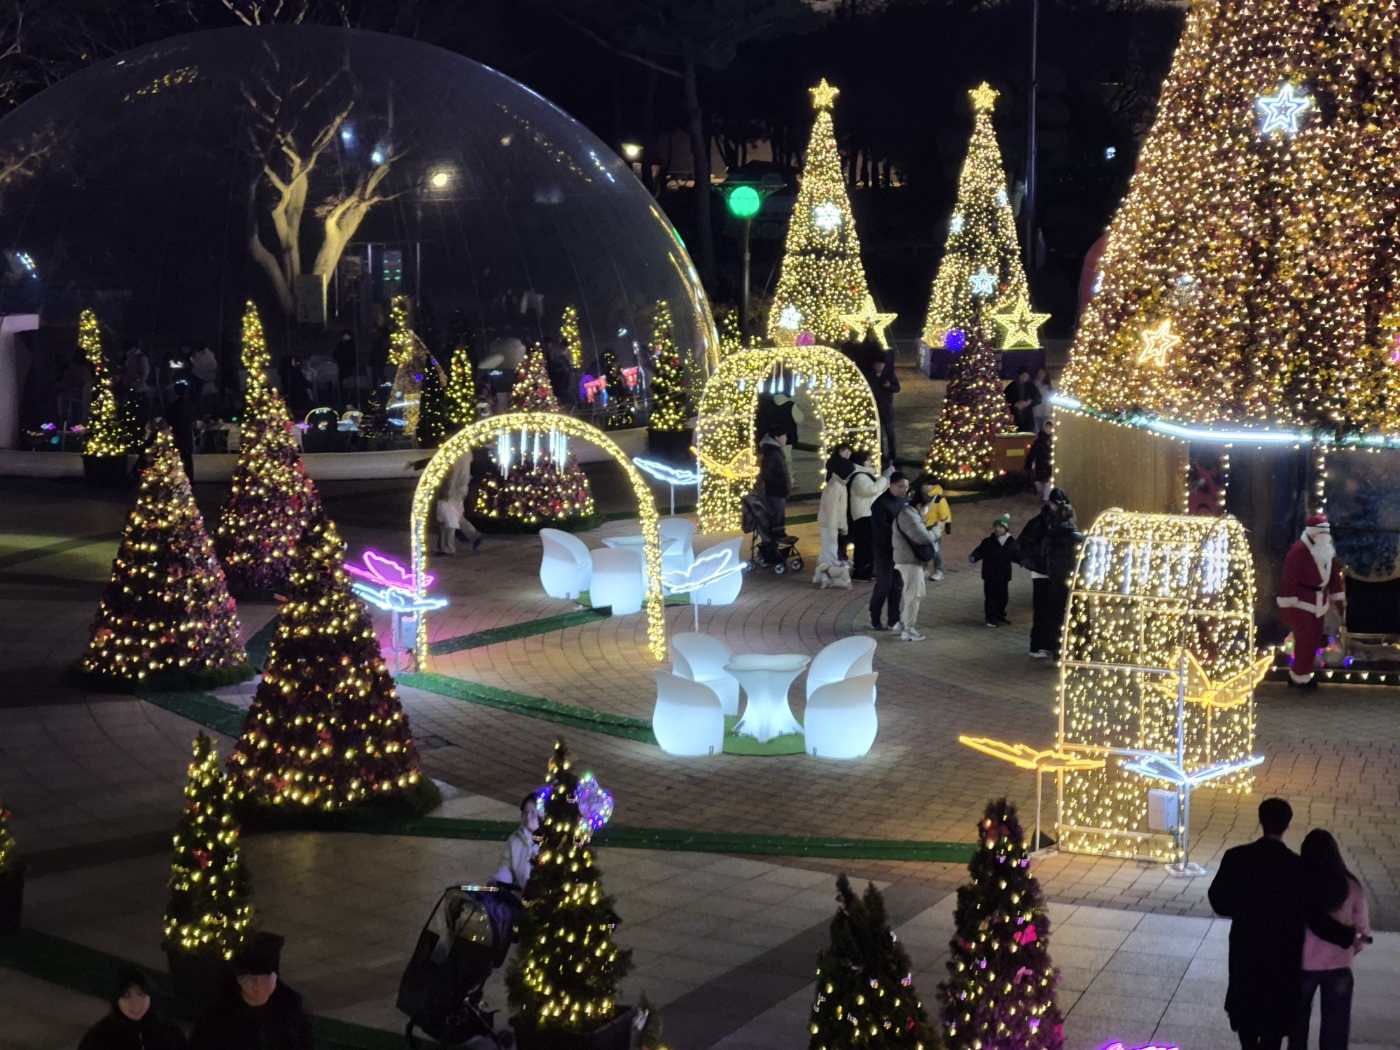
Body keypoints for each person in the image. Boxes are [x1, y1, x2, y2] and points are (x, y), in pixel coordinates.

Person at [1208, 799, 1357, 1050]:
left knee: (1246, 1008)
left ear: (1260, 820)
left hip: (1247, 948)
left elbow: (1218, 900)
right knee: (1273, 1021)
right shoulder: (1297, 867)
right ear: (1287, 825)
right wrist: (1346, 935)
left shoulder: (1236, 857)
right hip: (1282, 954)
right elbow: (1315, 917)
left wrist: (1244, 911)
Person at [1295, 829, 1369, 1050]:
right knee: (1336, 1030)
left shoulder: (1300, 884)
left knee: (1297, 1026)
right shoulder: (1351, 886)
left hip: (1303, 964)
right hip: (1339, 965)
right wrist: (1351, 949)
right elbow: (1363, 931)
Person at [190, 933, 312, 1050]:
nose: (259, 985)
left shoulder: (290, 1009)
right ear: (239, 980)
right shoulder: (218, 1016)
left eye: (266, 978)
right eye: (252, 979)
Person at [1277, 514, 1345, 689]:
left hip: (1319, 602)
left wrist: (1338, 599)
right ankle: (1299, 677)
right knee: (1304, 641)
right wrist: (1287, 604)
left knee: (1313, 640)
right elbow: (1289, 579)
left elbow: (1333, 578)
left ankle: (1303, 674)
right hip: (1302, 602)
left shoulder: (1327, 551)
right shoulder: (1299, 551)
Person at [78, 968, 187, 1050]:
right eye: (126, 996)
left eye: (141, 995)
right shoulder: (99, 1037)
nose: (135, 1004)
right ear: (116, 1000)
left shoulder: (167, 1030)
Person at [1019, 488, 1069, 658]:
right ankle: (1038, 645)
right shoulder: (1039, 523)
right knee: (1041, 608)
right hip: (1042, 573)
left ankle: (1047, 643)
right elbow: (1024, 547)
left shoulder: (1056, 523)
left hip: (1054, 573)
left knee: (1051, 609)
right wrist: (1035, 564)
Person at [892, 485, 936, 641]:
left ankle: (903, 623)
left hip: (909, 560)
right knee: (914, 594)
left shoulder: (910, 514)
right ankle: (908, 629)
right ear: (919, 505)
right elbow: (922, 537)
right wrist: (937, 530)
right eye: (926, 507)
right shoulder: (908, 515)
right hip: (908, 561)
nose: (927, 510)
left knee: (916, 593)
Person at [868, 471, 910, 632]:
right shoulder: (880, 504)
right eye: (900, 487)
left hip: (900, 550)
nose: (904, 490)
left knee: (897, 585)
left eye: (906, 487)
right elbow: (882, 530)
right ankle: (875, 617)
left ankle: (894, 619)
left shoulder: (905, 501)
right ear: (891, 485)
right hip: (884, 550)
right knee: (884, 584)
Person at [1041, 502, 1083, 658]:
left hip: (1055, 580)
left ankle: (1058, 652)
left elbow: (1044, 555)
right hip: (1074, 581)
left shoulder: (1050, 535)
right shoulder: (1078, 537)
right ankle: (1079, 652)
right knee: (1077, 617)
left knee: (1057, 617)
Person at [969, 513, 1020, 626]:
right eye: (996, 526)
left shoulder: (1011, 542)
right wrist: (974, 557)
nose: (997, 529)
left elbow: (1016, 555)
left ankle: (1000, 615)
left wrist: (1024, 561)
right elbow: (980, 551)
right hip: (990, 575)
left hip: (1003, 575)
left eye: (1000, 527)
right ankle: (991, 618)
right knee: (991, 597)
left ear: (1006, 529)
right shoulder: (988, 542)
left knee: (1003, 597)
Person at [847, 450, 890, 583]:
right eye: (867, 460)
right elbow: (872, 489)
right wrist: (884, 477)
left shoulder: (864, 475)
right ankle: (861, 573)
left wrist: (886, 479)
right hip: (863, 516)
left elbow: (879, 489)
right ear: (861, 461)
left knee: (867, 545)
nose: (870, 462)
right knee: (863, 545)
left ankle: (867, 571)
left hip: (867, 514)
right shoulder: (859, 477)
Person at [815, 445, 854, 587]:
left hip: (831, 524)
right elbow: (832, 511)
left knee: (826, 553)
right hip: (829, 524)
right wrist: (834, 530)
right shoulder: (835, 487)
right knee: (831, 554)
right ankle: (837, 579)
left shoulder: (839, 485)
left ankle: (820, 577)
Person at [494, 792, 541, 890]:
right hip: (521, 894)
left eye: (533, 813)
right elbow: (506, 865)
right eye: (525, 813)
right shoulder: (515, 839)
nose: (528, 817)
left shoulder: (552, 840)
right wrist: (500, 880)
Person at [758, 423, 791, 534]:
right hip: (776, 491)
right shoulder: (772, 452)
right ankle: (774, 545)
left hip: (777, 491)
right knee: (777, 520)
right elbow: (770, 473)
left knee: (777, 519)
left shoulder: (773, 450)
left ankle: (776, 543)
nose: (786, 438)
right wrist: (782, 487)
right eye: (784, 435)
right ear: (777, 437)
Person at [867, 354, 901, 464]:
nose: (879, 367)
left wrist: (889, 386)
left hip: (887, 409)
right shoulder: (870, 376)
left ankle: (892, 454)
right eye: (877, 365)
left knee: (890, 432)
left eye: (881, 365)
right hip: (875, 409)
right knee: (878, 434)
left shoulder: (889, 374)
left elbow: (897, 388)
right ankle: (880, 454)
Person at [919, 480, 953, 581]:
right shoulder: (923, 497)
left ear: (934, 485)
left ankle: (939, 570)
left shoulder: (939, 499)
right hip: (923, 528)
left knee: (935, 551)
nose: (925, 486)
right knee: (922, 550)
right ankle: (925, 569)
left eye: (927, 484)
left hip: (935, 529)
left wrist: (946, 528)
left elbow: (946, 516)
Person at [164, 383, 197, 480]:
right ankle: (189, 479)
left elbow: (167, 420)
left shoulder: (171, 406)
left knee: (175, 457)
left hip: (175, 434)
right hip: (187, 434)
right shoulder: (190, 406)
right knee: (187, 458)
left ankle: (175, 478)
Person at [1025, 419, 1054, 502]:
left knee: (1048, 484)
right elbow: (1032, 453)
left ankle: (1046, 499)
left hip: (1049, 467)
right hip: (1040, 466)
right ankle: (1043, 496)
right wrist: (1028, 464)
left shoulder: (1053, 441)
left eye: (1050, 427)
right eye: (1047, 427)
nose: (1048, 429)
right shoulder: (1039, 441)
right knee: (1039, 484)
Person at [57, 354, 91, 426]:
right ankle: (64, 418)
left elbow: (87, 382)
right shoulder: (70, 369)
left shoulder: (84, 370)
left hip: (81, 393)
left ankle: (74, 421)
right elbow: (66, 382)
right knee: (61, 398)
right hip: (70, 392)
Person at [1004, 366, 1040, 433]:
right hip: (1015, 418)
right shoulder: (1011, 386)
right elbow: (1006, 399)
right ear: (1019, 376)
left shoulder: (1031, 386)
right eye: (1023, 376)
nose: (1025, 378)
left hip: (1028, 418)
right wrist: (1015, 404)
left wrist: (1028, 403)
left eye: (1027, 376)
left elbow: (1038, 398)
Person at [190, 344, 220, 409]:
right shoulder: (198, 355)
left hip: (209, 378)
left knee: (210, 395)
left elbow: (211, 367)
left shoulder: (209, 356)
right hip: (203, 378)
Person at [1031, 365, 1055, 433]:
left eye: (1042, 373)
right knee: (1037, 430)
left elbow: (1051, 396)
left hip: (1046, 411)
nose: (1040, 375)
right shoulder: (1034, 384)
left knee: (1046, 430)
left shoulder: (1047, 385)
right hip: (1037, 412)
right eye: (1039, 373)